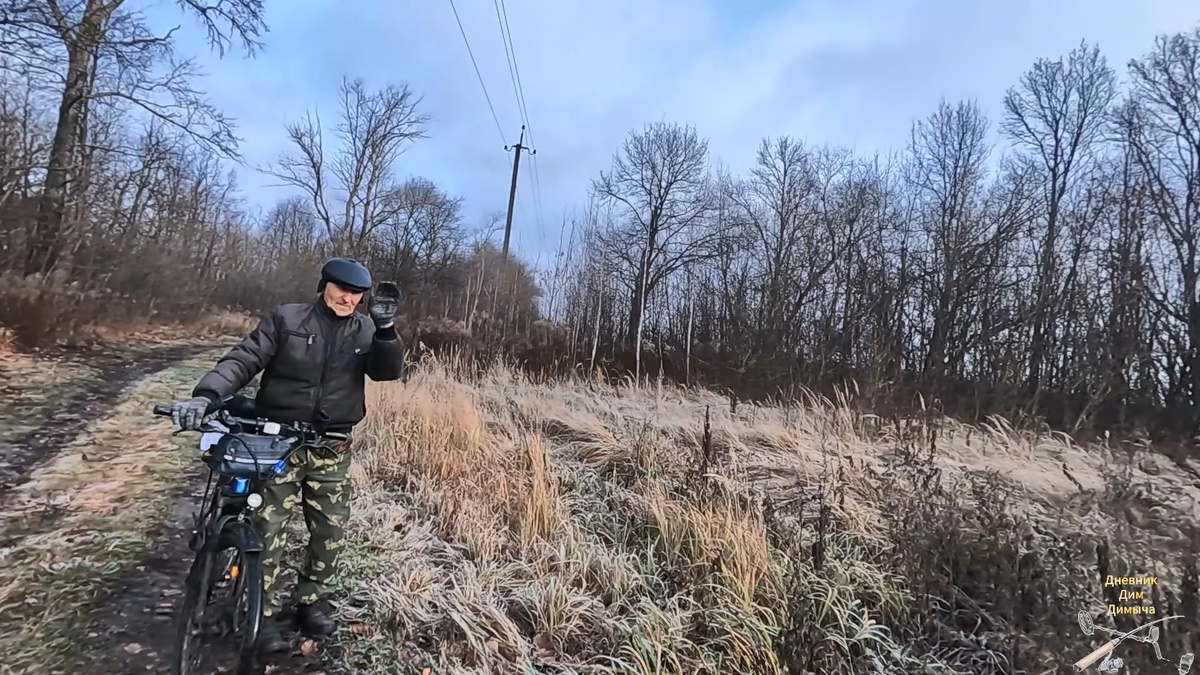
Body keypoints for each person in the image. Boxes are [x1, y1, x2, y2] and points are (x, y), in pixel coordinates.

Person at [169, 257, 406, 653]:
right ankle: (259, 615)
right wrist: (207, 395)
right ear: (324, 285)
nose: (348, 298)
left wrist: (386, 330)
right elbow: (244, 358)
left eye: (357, 293)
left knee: (329, 531)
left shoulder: (365, 329)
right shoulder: (287, 319)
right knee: (267, 529)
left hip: (331, 447)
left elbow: (387, 372)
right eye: (342, 289)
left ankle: (310, 602)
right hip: (278, 443)